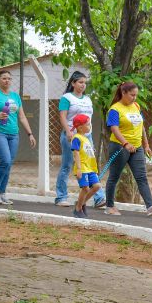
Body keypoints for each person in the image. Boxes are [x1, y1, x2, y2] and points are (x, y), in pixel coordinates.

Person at [103, 82, 152, 216]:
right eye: (132, 95)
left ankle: (150, 206)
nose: (134, 98)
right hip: (119, 147)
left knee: (141, 177)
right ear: (123, 93)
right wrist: (125, 143)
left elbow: (141, 126)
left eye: (136, 95)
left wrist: (146, 144)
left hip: (137, 147)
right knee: (114, 176)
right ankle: (109, 206)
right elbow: (114, 128)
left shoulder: (136, 106)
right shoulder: (115, 109)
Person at [0, 70, 36, 204]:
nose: (7, 81)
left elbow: (22, 117)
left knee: (8, 164)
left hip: (13, 134)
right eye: (4, 78)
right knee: (5, 161)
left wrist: (30, 134)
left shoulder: (16, 96)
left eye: (9, 79)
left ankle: (3, 193)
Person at [55, 71, 105, 208]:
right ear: (73, 83)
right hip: (72, 135)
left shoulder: (88, 99)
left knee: (91, 165)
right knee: (67, 165)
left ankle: (99, 197)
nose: (83, 85)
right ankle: (61, 196)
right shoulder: (67, 98)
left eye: (85, 83)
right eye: (80, 82)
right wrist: (68, 131)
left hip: (86, 137)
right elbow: (63, 117)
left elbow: (88, 119)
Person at [69, 115, 101, 218]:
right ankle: (78, 209)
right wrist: (79, 168)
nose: (90, 126)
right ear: (80, 127)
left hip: (90, 168)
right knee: (86, 188)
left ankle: (81, 203)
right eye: (87, 124)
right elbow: (76, 153)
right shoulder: (76, 138)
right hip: (82, 168)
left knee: (97, 186)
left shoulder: (86, 138)